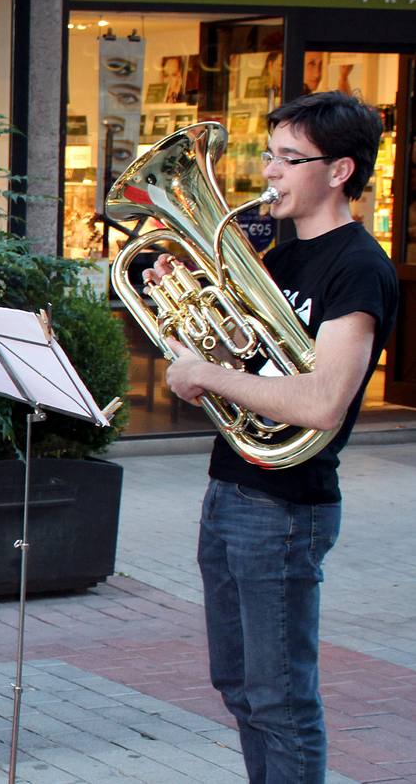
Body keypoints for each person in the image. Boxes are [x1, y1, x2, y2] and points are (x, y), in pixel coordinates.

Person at [154, 91, 397, 783]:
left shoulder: (358, 268)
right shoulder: (282, 261)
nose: (269, 172)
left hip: (287, 507)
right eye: (269, 155)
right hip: (232, 487)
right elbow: (247, 368)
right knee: (237, 684)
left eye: (289, 159)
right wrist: (189, 327)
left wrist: (208, 371)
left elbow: (322, 402)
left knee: (281, 699)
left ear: (340, 170)